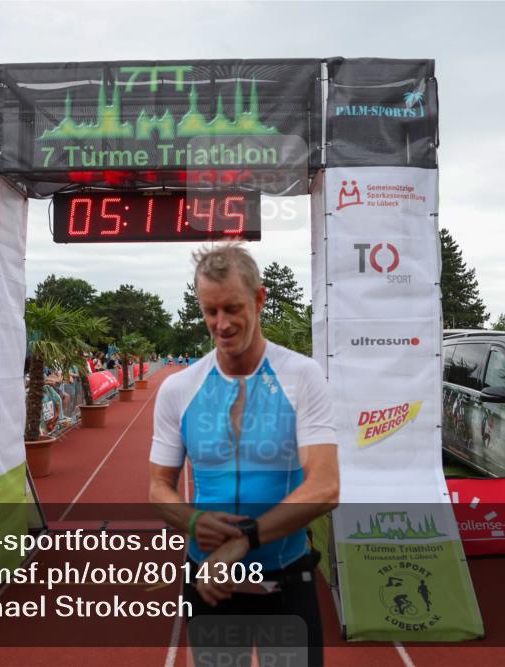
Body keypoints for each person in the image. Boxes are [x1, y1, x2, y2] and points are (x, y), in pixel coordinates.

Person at [149, 244, 338, 666]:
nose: (222, 324)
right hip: (209, 580)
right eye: (210, 311)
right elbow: (158, 487)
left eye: (233, 308)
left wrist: (244, 541)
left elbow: (326, 487)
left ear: (259, 299)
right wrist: (194, 520)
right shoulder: (179, 389)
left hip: (285, 576)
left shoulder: (302, 376)